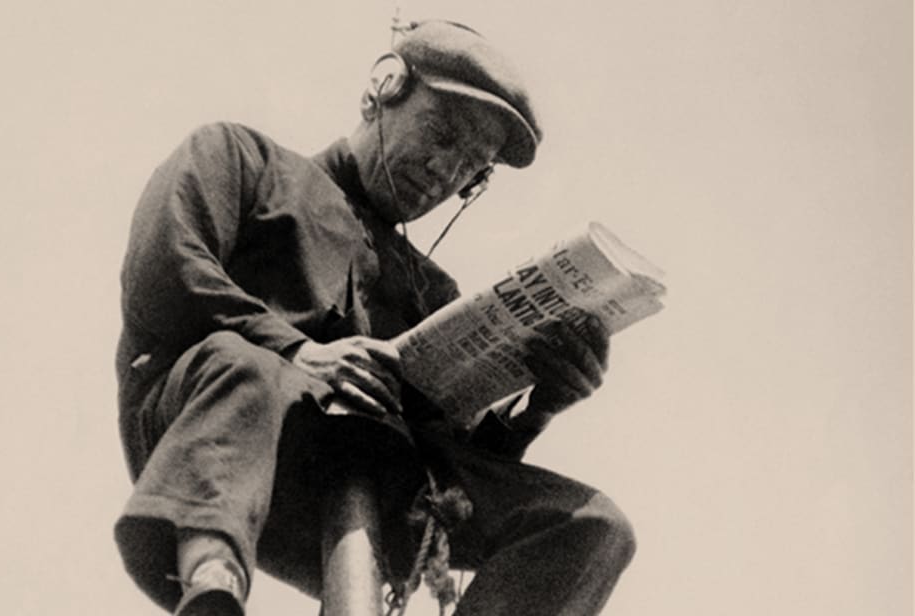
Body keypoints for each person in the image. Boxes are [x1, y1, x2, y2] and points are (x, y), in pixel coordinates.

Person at [114, 20, 635, 616]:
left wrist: (536, 406)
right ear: (382, 90)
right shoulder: (241, 157)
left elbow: (451, 454)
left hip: (377, 475)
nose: (447, 170)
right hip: (217, 440)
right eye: (441, 134)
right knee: (247, 364)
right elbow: (166, 272)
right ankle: (212, 586)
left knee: (593, 524)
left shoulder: (434, 290)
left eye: (473, 167)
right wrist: (296, 353)